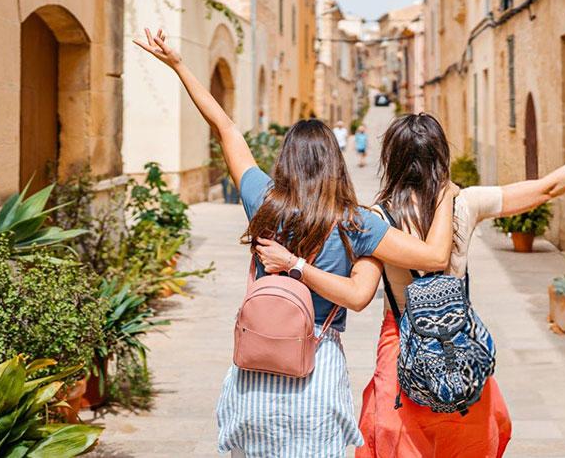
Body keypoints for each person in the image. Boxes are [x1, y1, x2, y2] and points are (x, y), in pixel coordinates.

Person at [257, 112, 565, 458]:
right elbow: (548, 187)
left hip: (400, 341)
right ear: (440, 157)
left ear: (392, 159)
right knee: (466, 436)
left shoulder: (373, 218)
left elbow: (355, 287)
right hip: (458, 342)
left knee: (397, 437)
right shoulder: (463, 203)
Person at [133, 29, 460, 458]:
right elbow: (435, 257)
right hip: (316, 372)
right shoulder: (356, 222)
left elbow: (225, 126)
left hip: (256, 369)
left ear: (285, 159)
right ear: (335, 163)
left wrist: (178, 65)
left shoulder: (262, 200)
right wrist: (449, 195)